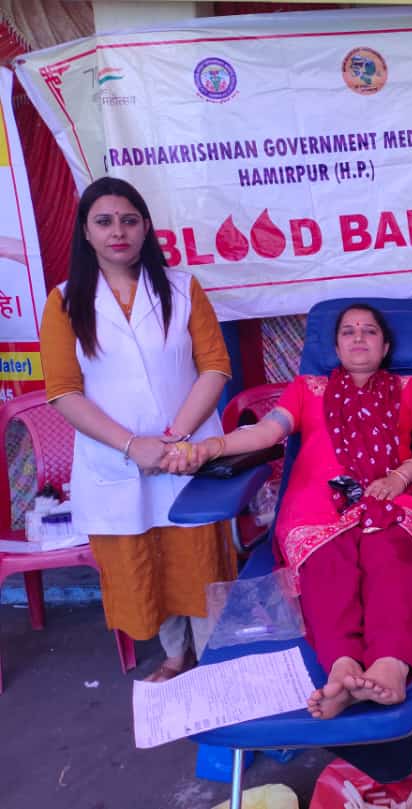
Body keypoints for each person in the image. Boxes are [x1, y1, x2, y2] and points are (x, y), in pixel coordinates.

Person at [177, 303, 412, 720]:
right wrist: (212, 446)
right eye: (348, 331)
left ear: (385, 348)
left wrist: (400, 478)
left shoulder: (409, 388)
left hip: (389, 495)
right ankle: (342, 666)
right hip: (318, 507)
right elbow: (267, 432)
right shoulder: (307, 388)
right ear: (336, 347)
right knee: (328, 565)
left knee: (391, 557)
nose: (359, 338)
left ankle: (391, 665)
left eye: (369, 332)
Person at [40, 176, 235, 682]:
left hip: (187, 453)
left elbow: (214, 365)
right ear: (86, 232)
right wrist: (132, 445)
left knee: (199, 559)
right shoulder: (64, 302)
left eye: (129, 220)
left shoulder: (181, 287)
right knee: (146, 556)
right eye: (104, 221)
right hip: (117, 462)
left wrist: (175, 440)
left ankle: (215, 662)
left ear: (146, 227)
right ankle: (175, 657)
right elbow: (63, 391)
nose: (117, 232)